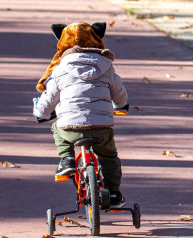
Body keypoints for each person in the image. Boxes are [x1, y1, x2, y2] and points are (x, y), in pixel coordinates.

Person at [33, 22, 129, 208]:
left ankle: (66, 159)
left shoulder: (59, 69)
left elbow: (49, 98)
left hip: (70, 128)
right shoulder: (106, 67)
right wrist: (122, 104)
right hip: (101, 128)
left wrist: (41, 112)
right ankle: (115, 194)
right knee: (109, 156)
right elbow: (119, 92)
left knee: (56, 127)